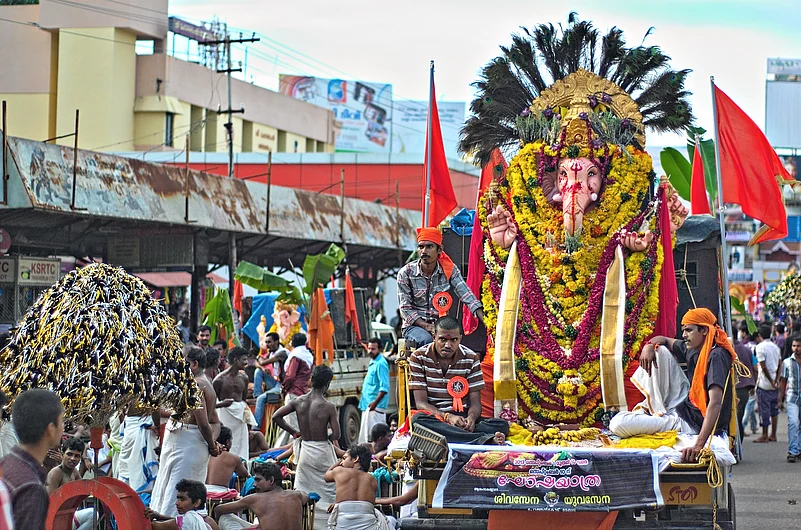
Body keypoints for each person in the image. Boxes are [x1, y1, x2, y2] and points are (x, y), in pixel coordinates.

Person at [609, 308, 735, 463]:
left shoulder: (716, 356)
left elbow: (715, 402)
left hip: (691, 425)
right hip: (680, 411)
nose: (684, 335)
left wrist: (698, 445)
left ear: (704, 330)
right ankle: (657, 409)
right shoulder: (695, 348)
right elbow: (663, 339)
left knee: (618, 423)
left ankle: (658, 415)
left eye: (689, 330)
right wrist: (649, 346)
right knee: (659, 350)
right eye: (683, 330)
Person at [407, 316, 508, 445]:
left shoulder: (471, 358)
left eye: (454, 340)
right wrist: (447, 417)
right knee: (418, 421)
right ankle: (482, 439)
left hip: (462, 417)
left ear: (460, 338)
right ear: (434, 337)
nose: (448, 345)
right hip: (435, 417)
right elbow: (421, 403)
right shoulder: (418, 357)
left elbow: (476, 404)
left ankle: (463, 436)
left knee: (501, 424)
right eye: (442, 339)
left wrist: (471, 419)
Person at [150, 346, 222, 517]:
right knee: (177, 489)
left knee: (178, 492)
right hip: (189, 445)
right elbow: (214, 422)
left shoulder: (196, 385)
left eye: (182, 361)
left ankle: (169, 525)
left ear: (194, 364)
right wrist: (212, 443)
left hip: (187, 446)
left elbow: (204, 423)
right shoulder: (206, 383)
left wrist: (212, 445)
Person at [273, 364, 339, 526]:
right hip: (322, 452)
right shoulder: (329, 406)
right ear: (327, 384)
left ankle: (305, 525)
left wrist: (294, 432)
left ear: (311, 380)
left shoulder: (298, 401)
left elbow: (276, 416)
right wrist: (326, 434)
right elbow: (337, 435)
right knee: (329, 494)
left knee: (304, 494)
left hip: (305, 452)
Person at [396, 227, 484, 346]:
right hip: (414, 327)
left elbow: (465, 293)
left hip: (441, 326)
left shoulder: (449, 269)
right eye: (421, 247)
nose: (424, 251)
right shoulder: (405, 273)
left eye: (429, 247)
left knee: (458, 344)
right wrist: (428, 327)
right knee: (427, 341)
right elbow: (405, 309)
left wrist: (483, 317)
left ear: (439, 250)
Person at [0, 389, 64, 530]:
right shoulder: (31, 487)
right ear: (51, 429)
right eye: (62, 421)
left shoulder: (6, 464)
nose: (63, 428)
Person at [212, 462, 308, 530]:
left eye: (258, 480)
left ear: (271, 480)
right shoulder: (297, 495)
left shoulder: (255, 499)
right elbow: (307, 497)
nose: (254, 485)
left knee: (225, 518)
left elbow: (218, 510)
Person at [324, 444, 394, 530]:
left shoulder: (340, 471)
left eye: (344, 458)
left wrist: (338, 463)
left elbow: (326, 476)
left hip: (344, 526)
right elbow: (362, 503)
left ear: (356, 459)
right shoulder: (372, 480)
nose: (342, 462)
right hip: (369, 526)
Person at [273, 333, 314, 446]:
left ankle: (292, 451)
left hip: (293, 392)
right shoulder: (308, 355)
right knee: (289, 422)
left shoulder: (296, 356)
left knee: (291, 424)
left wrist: (284, 387)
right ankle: (281, 448)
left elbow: (290, 376)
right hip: (303, 391)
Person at [213, 347, 251, 461]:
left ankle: (241, 468)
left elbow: (244, 401)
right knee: (226, 442)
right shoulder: (219, 380)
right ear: (235, 360)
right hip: (225, 415)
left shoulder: (244, 378)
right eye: (244, 359)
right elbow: (211, 403)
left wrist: (248, 419)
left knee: (241, 444)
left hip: (239, 417)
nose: (246, 362)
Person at [118, 404, 160, 493]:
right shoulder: (150, 392)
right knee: (141, 466)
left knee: (126, 468)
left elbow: (120, 409)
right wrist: (157, 426)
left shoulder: (129, 392)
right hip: (143, 429)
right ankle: (141, 498)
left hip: (129, 430)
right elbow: (155, 407)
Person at [146, 479, 219, 530]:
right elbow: (178, 522)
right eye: (178, 498)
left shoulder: (188, 520)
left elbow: (153, 526)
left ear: (197, 502)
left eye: (182, 499)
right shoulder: (209, 521)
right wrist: (159, 516)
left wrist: (145, 517)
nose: (177, 503)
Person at [253, 332, 289, 429]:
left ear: (276, 342)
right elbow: (256, 363)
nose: (267, 345)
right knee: (258, 371)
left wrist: (259, 359)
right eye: (266, 342)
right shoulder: (272, 352)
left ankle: (255, 428)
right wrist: (262, 368)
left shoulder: (282, 353)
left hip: (282, 385)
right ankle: (256, 394)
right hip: (275, 381)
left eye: (269, 342)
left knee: (261, 399)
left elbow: (262, 361)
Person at [754, 322, 781, 443]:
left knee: (764, 410)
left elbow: (763, 366)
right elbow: (780, 364)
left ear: (759, 335)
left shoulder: (760, 347)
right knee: (774, 410)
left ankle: (764, 434)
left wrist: (771, 380)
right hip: (775, 383)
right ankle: (773, 434)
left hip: (764, 383)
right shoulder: (775, 347)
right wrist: (776, 380)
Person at [359, 339, 390, 443]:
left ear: (380, 349)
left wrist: (375, 403)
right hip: (368, 405)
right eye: (369, 348)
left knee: (376, 440)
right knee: (367, 438)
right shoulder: (373, 362)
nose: (370, 351)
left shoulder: (381, 364)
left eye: (373, 349)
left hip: (375, 408)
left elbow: (384, 387)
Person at [206, 427, 249, 495]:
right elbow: (245, 474)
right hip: (221, 494)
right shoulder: (234, 458)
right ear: (228, 442)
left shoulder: (206, 454)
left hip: (204, 491)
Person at [778, 335, 801, 462]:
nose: (796, 348)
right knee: (793, 423)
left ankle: (799, 450)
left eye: (798, 346)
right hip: (792, 397)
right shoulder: (787, 362)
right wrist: (780, 399)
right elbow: (783, 381)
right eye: (794, 346)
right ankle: (792, 451)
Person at [733, 322, 756, 441]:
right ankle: (739, 445)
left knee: (733, 419)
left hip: (735, 388)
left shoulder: (727, 349)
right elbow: (755, 368)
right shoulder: (746, 349)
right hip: (745, 388)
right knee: (739, 417)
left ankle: (736, 447)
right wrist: (753, 384)